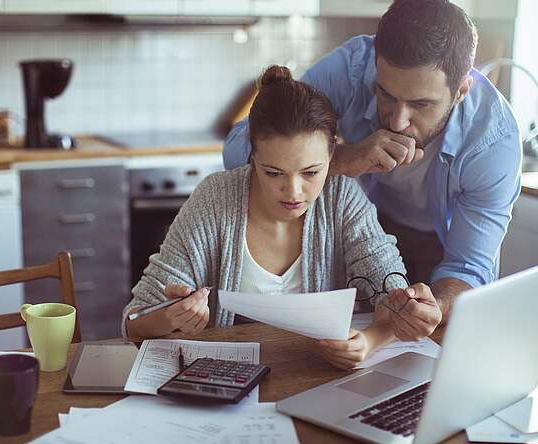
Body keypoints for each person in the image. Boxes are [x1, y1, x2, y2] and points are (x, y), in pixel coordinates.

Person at [223, 0, 522, 341]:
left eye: (420, 104)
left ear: (461, 91)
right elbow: (236, 150)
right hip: (355, 235)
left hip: (436, 248)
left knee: (424, 356)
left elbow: (469, 267)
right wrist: (341, 159)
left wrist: (435, 304)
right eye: (386, 94)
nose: (397, 120)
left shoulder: (493, 144)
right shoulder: (350, 69)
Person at [123, 65, 441, 370]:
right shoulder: (215, 199)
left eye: (311, 172)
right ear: (252, 155)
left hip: (312, 382)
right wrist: (170, 318)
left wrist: (370, 340)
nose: (293, 191)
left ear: (332, 154)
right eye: (274, 173)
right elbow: (133, 321)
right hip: (222, 385)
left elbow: (393, 296)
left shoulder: (341, 196)